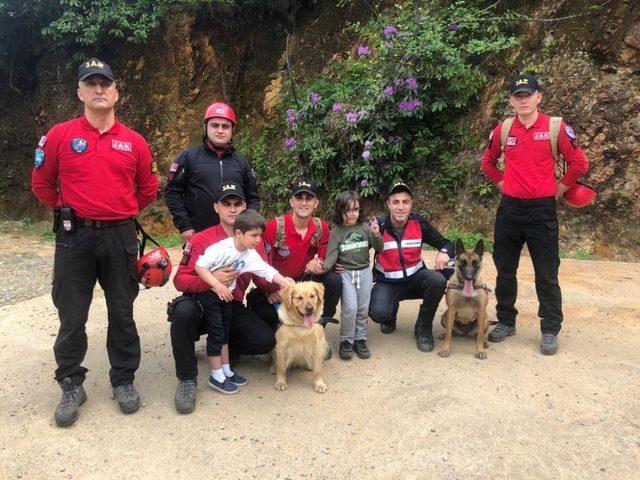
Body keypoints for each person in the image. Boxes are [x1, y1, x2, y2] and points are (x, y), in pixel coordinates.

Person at [31, 58, 158, 427]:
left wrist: (120, 209)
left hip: (120, 236)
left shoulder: (133, 141)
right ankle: (71, 382)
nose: (99, 89)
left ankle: (123, 381)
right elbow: (41, 183)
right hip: (75, 237)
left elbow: (148, 189)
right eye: (92, 84)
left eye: (106, 83)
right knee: (71, 313)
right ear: (80, 92)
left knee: (122, 310)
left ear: (116, 92)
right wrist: (67, 211)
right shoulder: (59, 136)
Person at [481, 73, 589, 355]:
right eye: (518, 96)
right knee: (505, 270)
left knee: (547, 272)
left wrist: (559, 189)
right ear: (511, 101)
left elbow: (579, 163)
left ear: (539, 97)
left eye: (528, 95)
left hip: (542, 211)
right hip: (510, 210)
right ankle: (505, 320)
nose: (524, 100)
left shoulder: (555, 127)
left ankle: (550, 328)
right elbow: (487, 162)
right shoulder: (504, 129)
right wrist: (503, 184)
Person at [169, 182, 277, 413]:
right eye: (226, 204)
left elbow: (262, 274)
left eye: (238, 204)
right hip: (201, 301)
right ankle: (187, 379)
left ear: (245, 206)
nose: (233, 209)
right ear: (216, 207)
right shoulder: (200, 239)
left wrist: (278, 287)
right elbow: (180, 280)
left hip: (231, 304)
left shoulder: (253, 240)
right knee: (182, 313)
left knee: (265, 340)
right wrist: (214, 281)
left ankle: (224, 356)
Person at [194, 209, 293, 395]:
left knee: (224, 333)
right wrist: (217, 284)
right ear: (238, 234)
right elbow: (199, 266)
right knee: (216, 334)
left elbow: (266, 270)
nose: (258, 240)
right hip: (210, 296)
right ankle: (216, 375)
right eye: (254, 235)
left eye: (260, 235)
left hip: (226, 298)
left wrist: (284, 281)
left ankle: (226, 371)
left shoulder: (249, 253)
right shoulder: (221, 249)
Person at [368, 182, 454, 352]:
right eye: (396, 202)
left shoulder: (418, 223)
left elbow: (446, 243)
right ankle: (390, 313)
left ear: (411, 203)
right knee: (378, 313)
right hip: (388, 282)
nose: (401, 207)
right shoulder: (378, 226)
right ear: (388, 204)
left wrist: (444, 252)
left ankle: (423, 326)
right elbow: (358, 251)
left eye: (405, 202)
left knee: (437, 280)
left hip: (416, 279)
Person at [246, 179, 342, 331]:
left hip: (304, 283)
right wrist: (269, 290)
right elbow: (259, 264)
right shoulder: (274, 227)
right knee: (266, 327)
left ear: (316, 203)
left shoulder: (321, 227)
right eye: (299, 198)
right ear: (291, 201)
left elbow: (326, 251)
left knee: (334, 281)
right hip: (278, 284)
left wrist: (319, 262)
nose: (304, 203)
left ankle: (317, 328)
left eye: (309, 198)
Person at [164, 101, 260, 242]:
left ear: (232, 130)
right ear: (206, 127)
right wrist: (184, 225)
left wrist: (249, 224)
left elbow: (253, 198)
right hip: (199, 234)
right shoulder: (189, 157)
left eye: (225, 126)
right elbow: (172, 192)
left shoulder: (241, 162)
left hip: (235, 237)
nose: (220, 130)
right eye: (215, 125)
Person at [322, 191, 383, 360]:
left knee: (363, 308)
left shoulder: (365, 227)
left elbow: (379, 248)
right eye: (347, 210)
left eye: (355, 209)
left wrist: (376, 233)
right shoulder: (337, 231)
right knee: (350, 308)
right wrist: (325, 267)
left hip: (364, 272)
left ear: (360, 210)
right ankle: (346, 340)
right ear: (340, 211)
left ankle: (360, 339)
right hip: (346, 274)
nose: (352, 213)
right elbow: (331, 255)